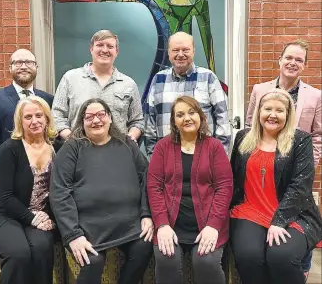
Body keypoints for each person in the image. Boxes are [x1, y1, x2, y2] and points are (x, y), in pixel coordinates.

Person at [51, 0, 217, 104]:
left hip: (165, 63)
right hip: (178, 67)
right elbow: (206, 37)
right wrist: (213, 72)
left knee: (160, 107)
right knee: (171, 110)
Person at [50, 98, 153, 284]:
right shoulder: (71, 148)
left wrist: (146, 214)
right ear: (82, 121)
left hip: (128, 224)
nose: (96, 121)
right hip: (87, 227)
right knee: (93, 261)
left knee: (144, 247)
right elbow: (60, 192)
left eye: (100, 115)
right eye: (89, 117)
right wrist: (73, 234)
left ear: (110, 118)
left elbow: (146, 178)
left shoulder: (126, 144)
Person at [245, 40, 322, 279]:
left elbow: (318, 134)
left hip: (297, 172)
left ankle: (300, 266)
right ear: (279, 60)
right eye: (289, 57)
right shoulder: (260, 90)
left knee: (291, 246)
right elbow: (250, 126)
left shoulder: (315, 96)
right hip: (264, 175)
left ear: (305, 65)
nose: (293, 63)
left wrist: (308, 165)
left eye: (299, 60)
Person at [230, 89, 322, 284]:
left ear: (288, 115)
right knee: (249, 256)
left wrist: (279, 221)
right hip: (249, 210)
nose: (272, 114)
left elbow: (300, 186)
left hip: (293, 213)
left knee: (281, 256)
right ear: (259, 112)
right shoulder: (243, 138)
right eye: (268, 109)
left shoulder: (300, 140)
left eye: (279, 110)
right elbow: (233, 178)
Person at [147, 96, 233, 284]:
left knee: (205, 262)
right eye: (180, 114)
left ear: (201, 117)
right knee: (166, 259)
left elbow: (224, 188)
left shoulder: (214, 147)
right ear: (174, 122)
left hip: (207, 223)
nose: (187, 118)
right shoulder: (163, 147)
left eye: (191, 112)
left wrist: (213, 226)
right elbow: (154, 187)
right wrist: (161, 224)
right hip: (170, 223)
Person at [0, 96, 59, 284]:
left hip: (42, 216)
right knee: (19, 253)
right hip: (5, 215)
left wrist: (49, 218)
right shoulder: (9, 149)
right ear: (20, 121)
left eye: (38, 115)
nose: (34, 121)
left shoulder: (57, 147)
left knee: (42, 249)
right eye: (28, 117)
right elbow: (4, 196)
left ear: (47, 118)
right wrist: (32, 218)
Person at [145, 32, 231, 156]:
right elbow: (150, 124)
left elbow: (223, 121)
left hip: (204, 160)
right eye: (175, 50)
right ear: (169, 53)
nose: (180, 54)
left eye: (185, 50)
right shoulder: (158, 80)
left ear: (193, 51)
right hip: (167, 161)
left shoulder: (208, 78)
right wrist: (154, 158)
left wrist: (218, 159)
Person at [52, 29, 144, 142]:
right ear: (91, 49)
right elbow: (56, 116)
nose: (104, 50)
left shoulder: (128, 84)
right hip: (78, 152)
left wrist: (130, 138)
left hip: (117, 152)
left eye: (110, 46)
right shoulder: (70, 79)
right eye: (99, 45)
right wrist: (72, 139)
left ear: (117, 51)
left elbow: (137, 121)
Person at [0, 49, 54, 195]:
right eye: (18, 62)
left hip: (42, 175)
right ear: (10, 68)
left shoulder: (48, 99)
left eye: (29, 62)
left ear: (36, 67)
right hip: (9, 174)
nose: (24, 66)